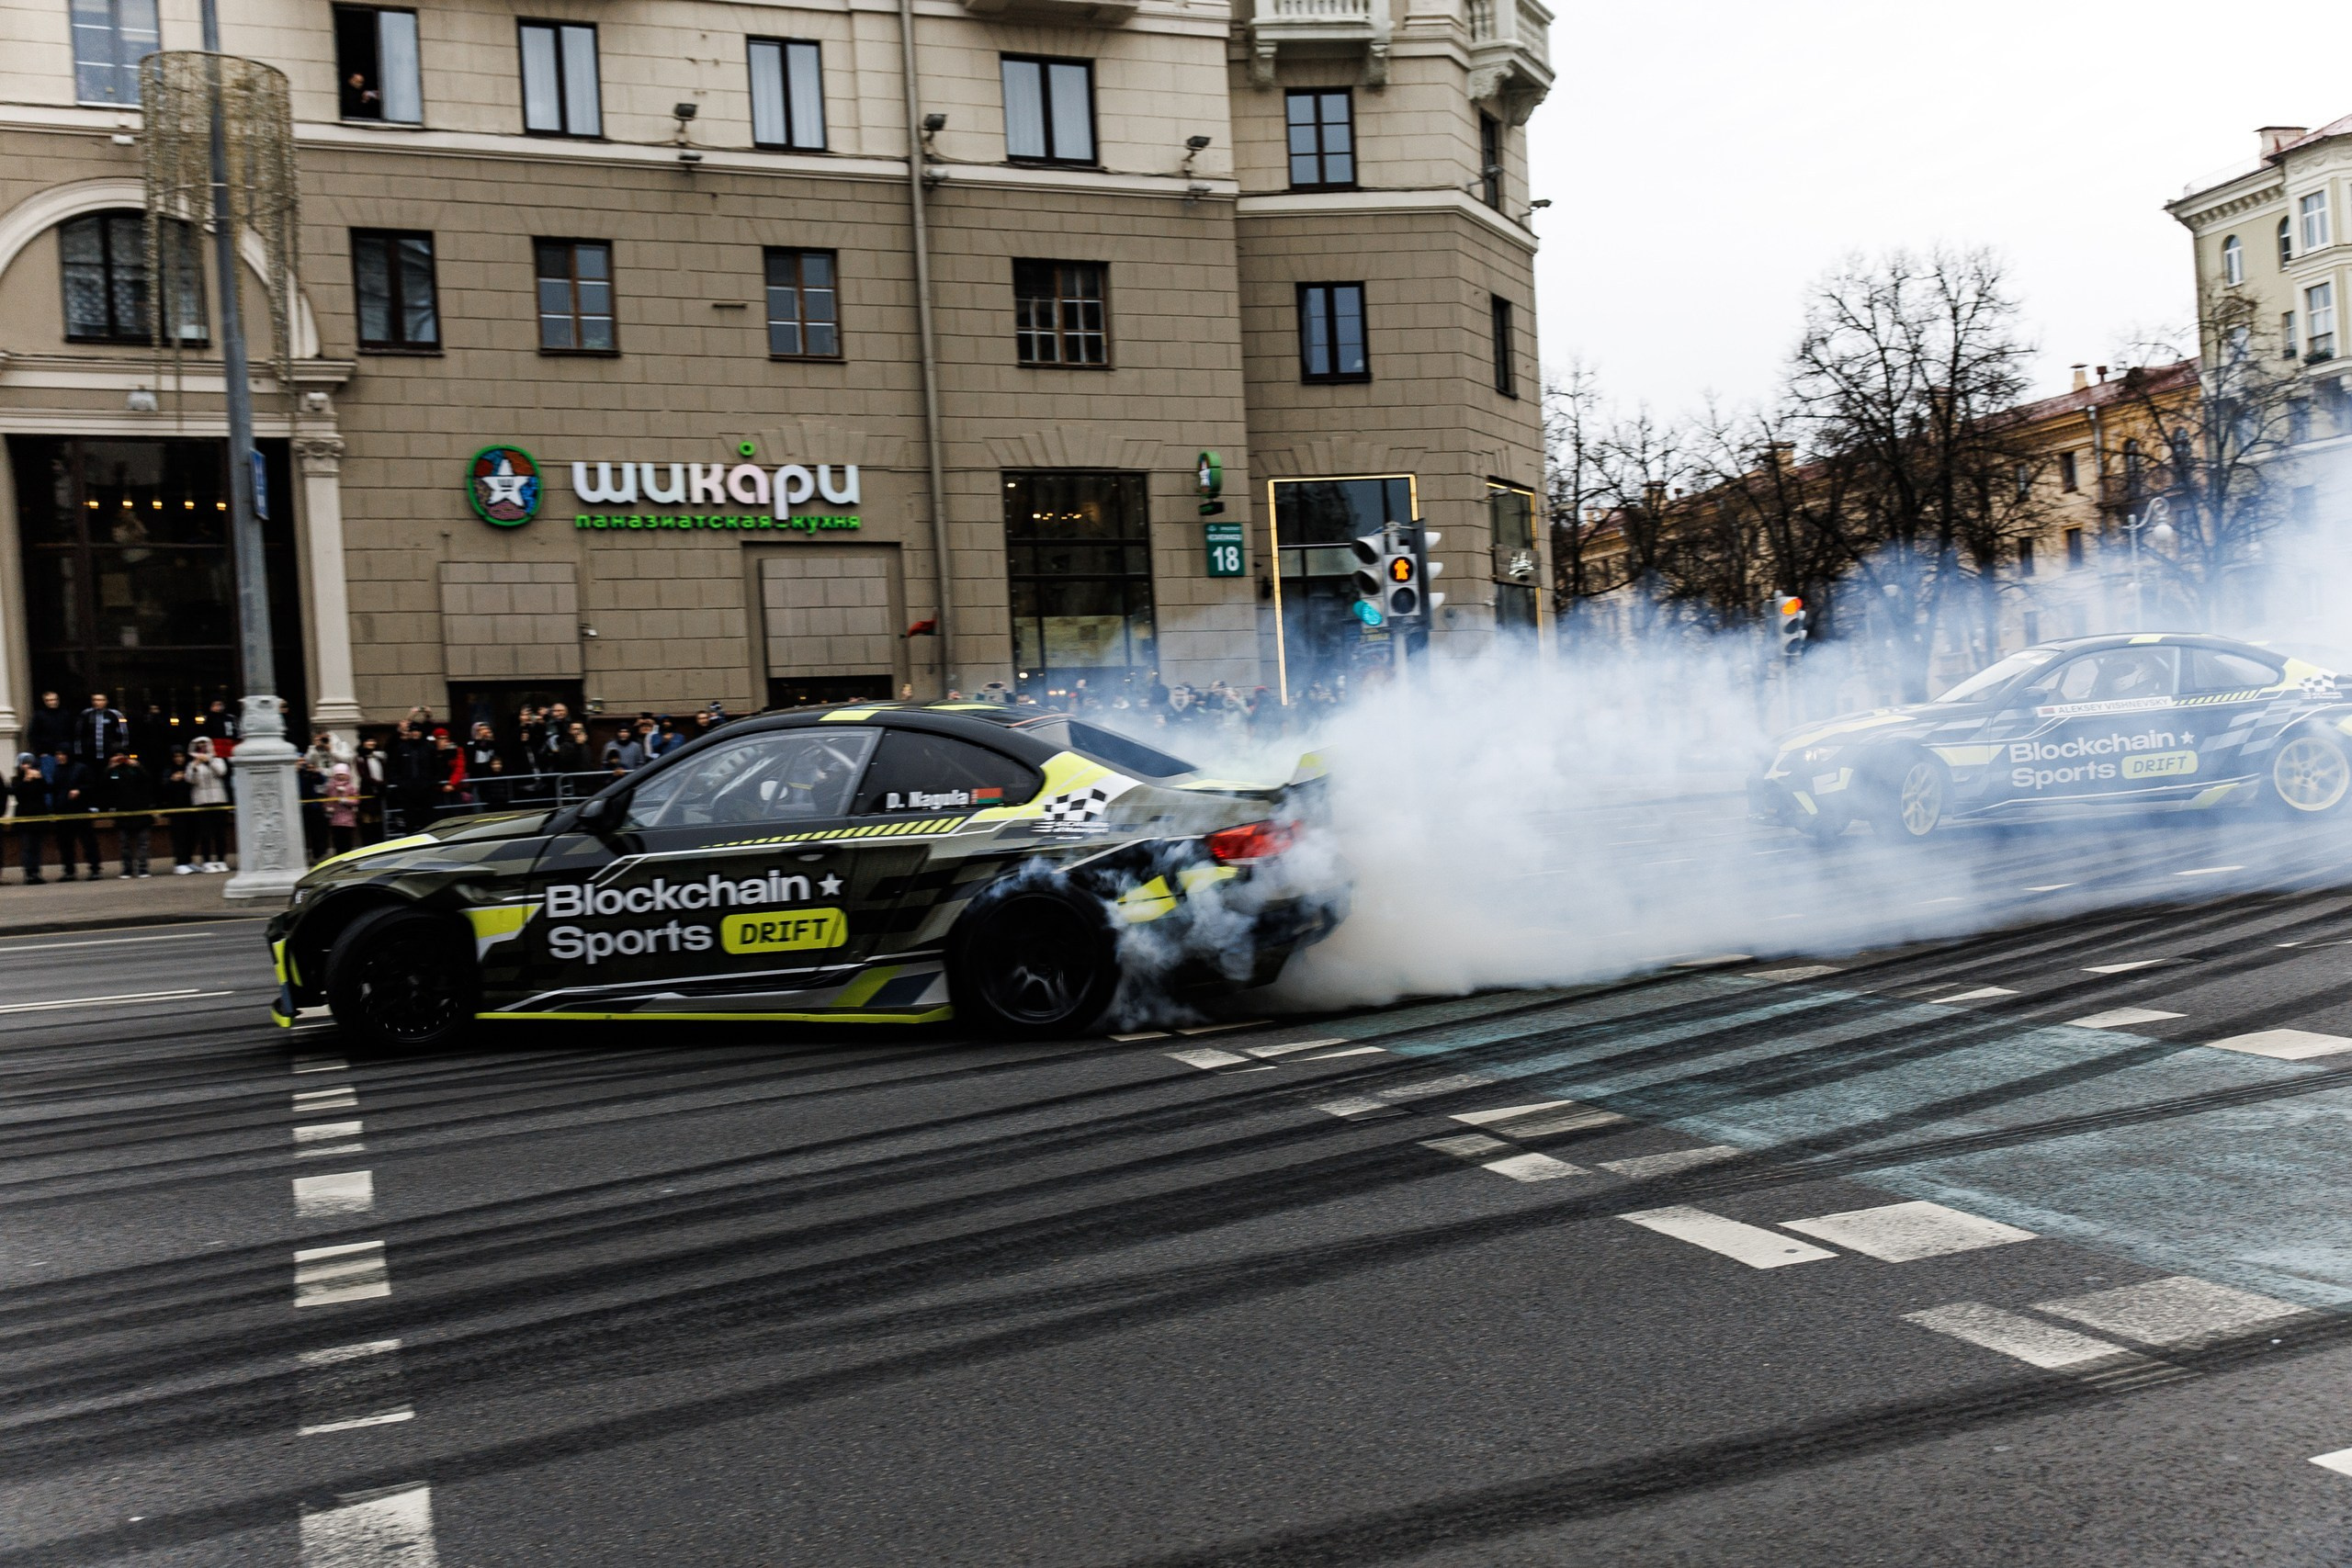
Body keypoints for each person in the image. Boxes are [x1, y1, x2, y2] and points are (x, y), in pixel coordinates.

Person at [103, 749, 155, 877]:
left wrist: (137, 766)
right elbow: (104, 786)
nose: (120, 759)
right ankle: (127, 869)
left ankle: (143, 869)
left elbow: (147, 780)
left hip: (141, 811)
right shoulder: (113, 771)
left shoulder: (135, 769)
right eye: (117, 756)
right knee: (124, 844)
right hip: (122, 813)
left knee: (143, 844)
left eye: (122, 756)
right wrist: (109, 768)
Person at [51, 748, 100, 880]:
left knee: (88, 842)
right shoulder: (57, 770)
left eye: (62, 753)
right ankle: (69, 871)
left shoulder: (80, 768)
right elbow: (55, 791)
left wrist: (79, 790)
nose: (60, 757)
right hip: (63, 813)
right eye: (58, 754)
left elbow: (91, 785)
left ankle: (95, 869)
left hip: (80, 811)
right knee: (65, 845)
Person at [187, 737, 231, 872]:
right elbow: (189, 780)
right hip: (202, 801)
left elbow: (222, 772)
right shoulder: (192, 763)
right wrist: (194, 766)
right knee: (205, 833)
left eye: (204, 744)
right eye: (199, 745)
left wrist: (209, 761)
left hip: (218, 800)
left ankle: (221, 860)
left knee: (220, 833)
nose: (202, 747)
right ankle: (206, 861)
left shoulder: (217, 760)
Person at [8, 754, 51, 884]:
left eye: (29, 763)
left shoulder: (38, 777)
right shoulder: (17, 779)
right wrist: (25, 780)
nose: (27, 766)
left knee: (37, 847)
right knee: (27, 846)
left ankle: (36, 872)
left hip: (38, 816)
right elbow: (15, 793)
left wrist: (40, 778)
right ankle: (29, 873)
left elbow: (48, 789)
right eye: (24, 763)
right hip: (24, 818)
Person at [160, 747, 197, 874]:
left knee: (191, 835)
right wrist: (172, 780)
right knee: (179, 837)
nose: (179, 759)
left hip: (191, 807)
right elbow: (163, 789)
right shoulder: (168, 770)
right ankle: (180, 863)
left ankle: (188, 861)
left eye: (181, 756)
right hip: (176, 809)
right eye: (176, 756)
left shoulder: (189, 767)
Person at [74, 693, 127, 766]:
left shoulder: (116, 714)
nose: (97, 702)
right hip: (90, 754)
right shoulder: (85, 714)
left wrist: (122, 751)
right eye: (95, 700)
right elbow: (78, 734)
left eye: (100, 700)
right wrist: (78, 752)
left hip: (110, 753)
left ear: (106, 701)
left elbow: (124, 734)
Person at [25, 692, 71, 773]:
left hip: (64, 753)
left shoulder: (65, 714)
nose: (52, 702)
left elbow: (71, 733)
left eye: (53, 699)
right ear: (45, 702)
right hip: (47, 754)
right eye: (48, 700)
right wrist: (41, 752)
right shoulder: (39, 716)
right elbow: (33, 735)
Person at [323, 762, 361, 857]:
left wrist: (346, 800)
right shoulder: (331, 787)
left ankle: (348, 858)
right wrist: (327, 808)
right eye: (338, 774)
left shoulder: (351, 787)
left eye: (342, 774)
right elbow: (327, 799)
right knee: (337, 842)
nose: (340, 776)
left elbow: (356, 800)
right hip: (335, 820)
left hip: (348, 820)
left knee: (347, 842)